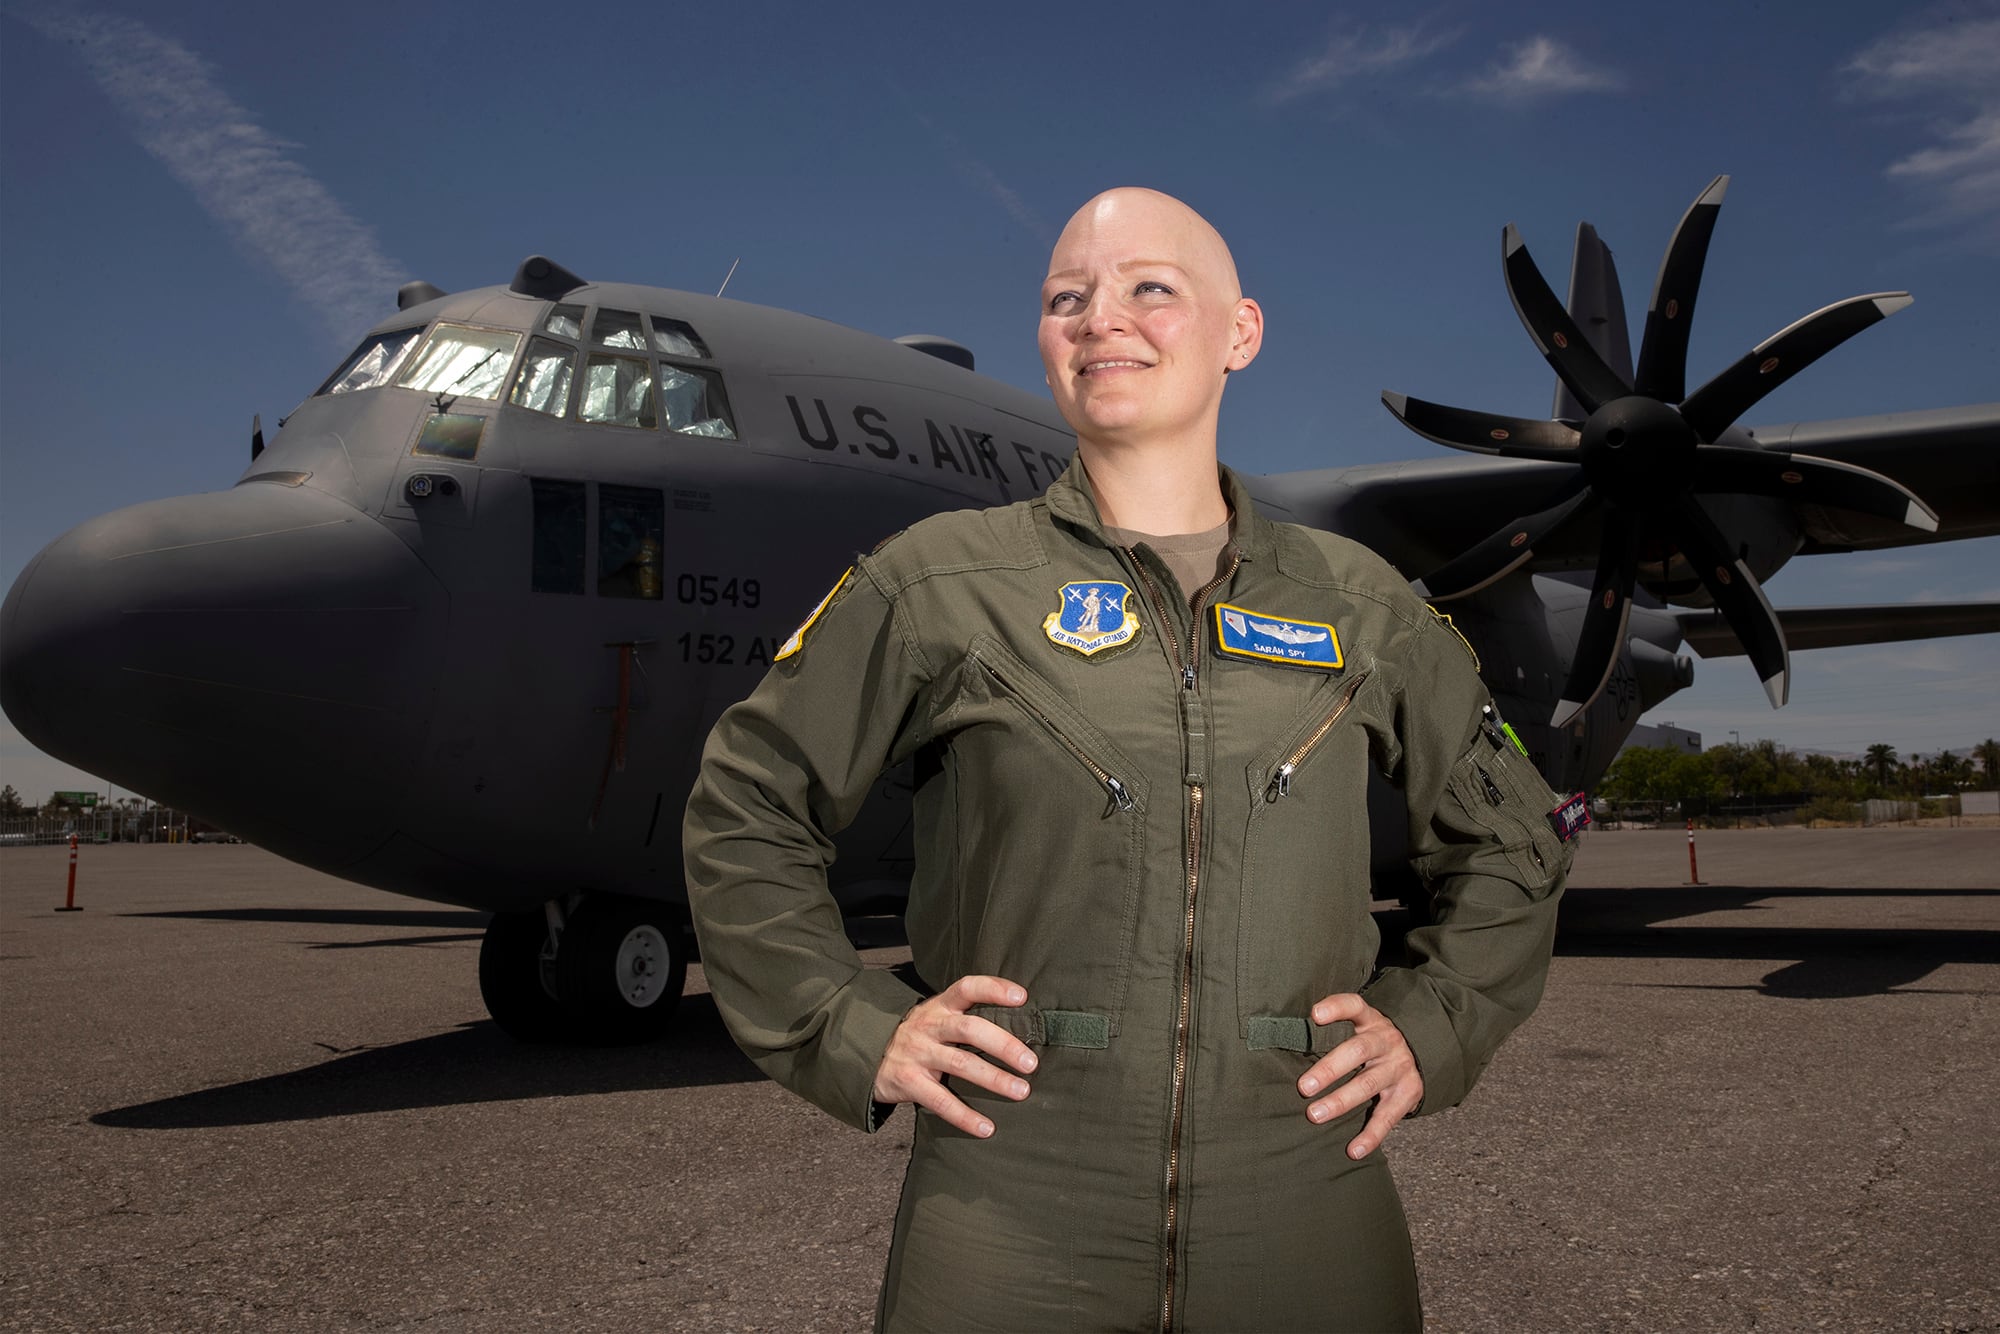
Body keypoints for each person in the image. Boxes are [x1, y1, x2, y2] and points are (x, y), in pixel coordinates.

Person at [684, 188, 1575, 1332]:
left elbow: (1512, 840)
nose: (1101, 317)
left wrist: (1434, 1019)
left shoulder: (1361, 605)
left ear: (1238, 332)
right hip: (1008, 1201)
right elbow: (747, 800)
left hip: (1304, 1194)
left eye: (1150, 288)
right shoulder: (937, 582)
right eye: (1067, 298)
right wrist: (850, 1021)